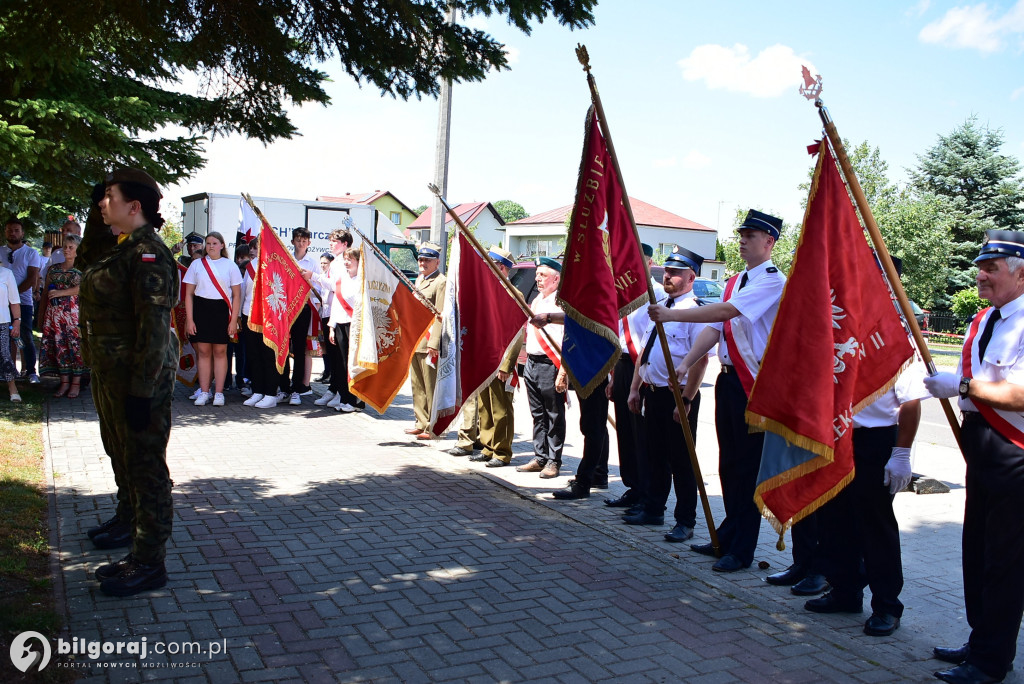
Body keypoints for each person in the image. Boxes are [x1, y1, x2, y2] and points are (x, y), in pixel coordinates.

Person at [650, 209, 786, 573]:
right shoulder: (735, 279)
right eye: (742, 233)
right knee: (728, 465)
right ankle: (725, 537)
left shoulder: (772, 280)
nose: (742, 240)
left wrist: (672, 316)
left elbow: (725, 312)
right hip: (729, 380)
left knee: (746, 468)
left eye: (752, 235)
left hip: (753, 385)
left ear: (769, 242)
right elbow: (717, 330)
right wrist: (685, 361)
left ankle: (741, 550)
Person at [924, 229, 1024, 684]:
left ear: (1021, 275)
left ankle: (991, 660)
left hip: (1014, 451)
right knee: (977, 550)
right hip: (979, 439)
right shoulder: (985, 320)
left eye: (992, 268)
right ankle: (980, 637)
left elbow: (1020, 393)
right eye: (980, 267)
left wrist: (962, 387)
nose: (981, 275)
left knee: (1005, 558)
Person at [77, 168, 178, 597]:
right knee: (121, 453)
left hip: (138, 382)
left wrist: (141, 391)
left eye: (110, 197)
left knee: (146, 467)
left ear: (134, 206)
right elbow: (87, 264)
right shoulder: (121, 248)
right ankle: (130, 526)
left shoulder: (149, 255)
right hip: (111, 375)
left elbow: (154, 331)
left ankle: (149, 561)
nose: (103, 203)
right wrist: (95, 214)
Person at [804, 358, 928, 637]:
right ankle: (845, 592)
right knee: (836, 519)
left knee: (875, 525)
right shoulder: (840, 335)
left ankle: (887, 606)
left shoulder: (894, 343)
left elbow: (911, 402)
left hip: (877, 439)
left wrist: (902, 453)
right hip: (837, 435)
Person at [624, 248, 709, 537]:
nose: (668, 276)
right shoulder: (660, 306)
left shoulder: (694, 311)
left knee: (682, 461)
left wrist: (686, 399)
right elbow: (645, 352)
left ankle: (685, 520)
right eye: (667, 272)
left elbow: (701, 360)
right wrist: (635, 388)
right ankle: (653, 509)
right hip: (653, 392)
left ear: (691, 277)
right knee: (655, 455)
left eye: (675, 273)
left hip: (679, 396)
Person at [607, 242, 665, 510]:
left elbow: (648, 342)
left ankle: (647, 493)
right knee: (626, 434)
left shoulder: (658, 295)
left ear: (650, 263)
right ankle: (632, 486)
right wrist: (611, 377)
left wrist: (635, 381)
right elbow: (616, 335)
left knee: (643, 435)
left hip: (642, 368)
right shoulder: (620, 294)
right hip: (621, 364)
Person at [465, 246, 523, 468]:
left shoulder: (512, 294)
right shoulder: (486, 291)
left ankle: (502, 452)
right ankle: (488, 447)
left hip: (501, 361)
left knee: (501, 409)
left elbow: (517, 334)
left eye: (489, 265)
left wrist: (507, 365)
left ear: (500, 268)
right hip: (485, 359)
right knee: (485, 407)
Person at [517, 257, 566, 479]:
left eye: (543, 275)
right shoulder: (537, 300)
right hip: (532, 362)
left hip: (550, 364)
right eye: (537, 275)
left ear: (556, 279)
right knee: (538, 414)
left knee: (554, 414)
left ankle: (554, 461)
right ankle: (540, 456)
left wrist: (563, 371)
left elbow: (567, 339)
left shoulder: (560, 303)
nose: (538, 279)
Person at [182, 232, 242, 407]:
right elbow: (188, 294)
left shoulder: (230, 266)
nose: (211, 246)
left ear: (222, 245)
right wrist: (190, 319)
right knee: (203, 352)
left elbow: (236, 296)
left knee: (221, 352)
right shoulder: (196, 265)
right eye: (208, 243)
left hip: (222, 311)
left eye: (215, 243)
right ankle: (204, 391)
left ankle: (219, 393)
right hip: (201, 310)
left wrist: (233, 321)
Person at [405, 242, 446, 439]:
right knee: (417, 384)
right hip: (416, 338)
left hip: (429, 340)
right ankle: (420, 421)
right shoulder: (419, 280)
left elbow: (440, 315)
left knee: (431, 386)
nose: (422, 263)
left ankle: (433, 426)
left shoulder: (441, 282)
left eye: (427, 260)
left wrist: (434, 343)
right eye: (420, 259)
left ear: (437, 262)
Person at [38, 234, 86, 398]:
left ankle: (76, 384)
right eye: (65, 247)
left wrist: (60, 293)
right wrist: (41, 313)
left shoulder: (81, 268)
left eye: (71, 247)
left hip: (73, 315)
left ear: (78, 250)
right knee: (59, 346)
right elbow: (45, 291)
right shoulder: (54, 269)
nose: (67, 250)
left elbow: (82, 288)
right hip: (54, 315)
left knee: (75, 347)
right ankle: (64, 382)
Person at [1, 218, 41, 383]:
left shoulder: (31, 253)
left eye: (16, 230)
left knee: (24, 336)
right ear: (5, 232)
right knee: (5, 338)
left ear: (22, 233)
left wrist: (13, 296)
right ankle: (8, 372)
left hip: (23, 302)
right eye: (10, 230)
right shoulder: (1, 251)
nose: (13, 233)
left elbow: (32, 277)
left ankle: (31, 371)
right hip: (2, 304)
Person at [284, 227, 319, 406]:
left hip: (303, 308)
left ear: (309, 243)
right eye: (298, 240)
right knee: (282, 347)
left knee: (298, 349)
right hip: (285, 308)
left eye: (304, 240)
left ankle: (297, 388)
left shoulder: (312, 263)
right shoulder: (286, 259)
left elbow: (318, 288)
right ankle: (283, 387)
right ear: (293, 242)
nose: (301, 243)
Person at [0, 263, 22, 402]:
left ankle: (12, 388)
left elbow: (14, 301)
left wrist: (17, 321)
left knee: (5, 355)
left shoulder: (6, 273)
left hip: (2, 321)